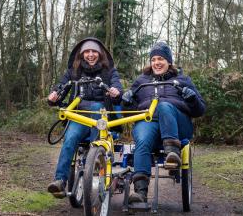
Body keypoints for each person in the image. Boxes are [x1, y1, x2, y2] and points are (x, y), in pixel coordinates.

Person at [121, 41, 206, 204]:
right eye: (153, 59)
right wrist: (126, 102)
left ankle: (172, 154)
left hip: (177, 124)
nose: (156, 63)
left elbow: (200, 110)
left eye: (161, 59)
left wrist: (192, 99)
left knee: (165, 106)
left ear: (169, 61)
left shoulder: (183, 80)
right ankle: (140, 191)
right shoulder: (141, 81)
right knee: (143, 140)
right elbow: (129, 111)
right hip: (148, 121)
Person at [46, 37, 123, 198]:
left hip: (101, 117)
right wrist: (54, 96)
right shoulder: (73, 72)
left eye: (94, 51)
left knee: (96, 106)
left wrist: (115, 91)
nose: (90, 55)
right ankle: (60, 181)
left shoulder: (109, 72)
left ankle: (94, 161)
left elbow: (117, 89)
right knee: (69, 139)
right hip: (79, 116)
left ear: (100, 54)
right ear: (81, 55)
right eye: (87, 52)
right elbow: (61, 88)